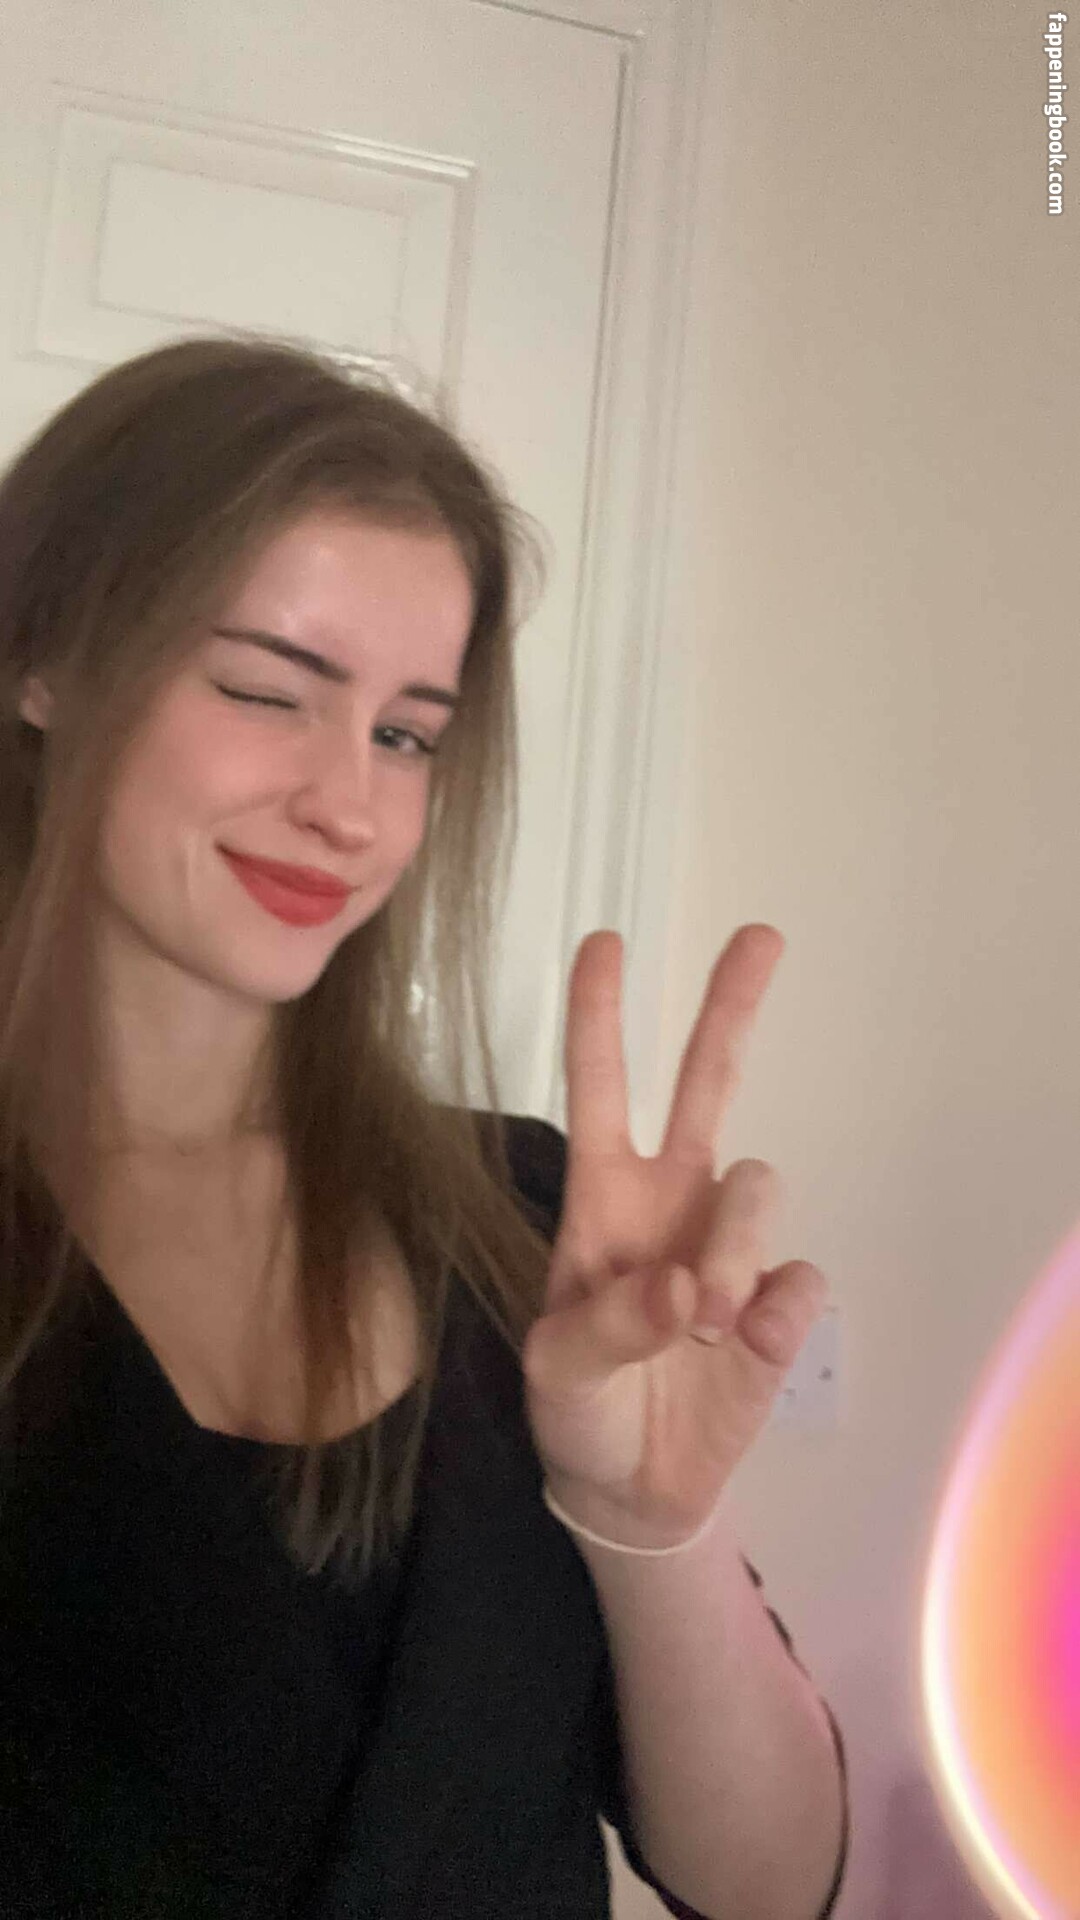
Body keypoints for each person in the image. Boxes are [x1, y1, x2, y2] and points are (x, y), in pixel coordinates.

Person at [0, 336, 849, 1919]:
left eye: (406, 735)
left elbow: (771, 1887)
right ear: (42, 661)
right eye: (266, 691)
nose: (351, 806)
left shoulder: (530, 1222)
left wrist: (649, 1528)